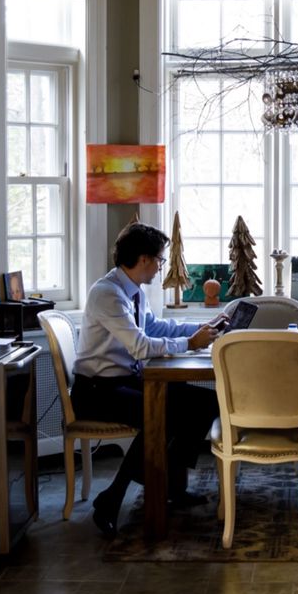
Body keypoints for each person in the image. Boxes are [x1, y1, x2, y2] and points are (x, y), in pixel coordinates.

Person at [72, 222, 224, 537]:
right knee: (163, 413)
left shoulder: (133, 291)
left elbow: (156, 328)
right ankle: (112, 498)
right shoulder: (107, 295)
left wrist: (200, 327)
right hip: (98, 392)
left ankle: (170, 485)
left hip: (125, 383)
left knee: (206, 402)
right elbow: (141, 346)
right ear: (143, 259)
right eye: (159, 260)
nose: (160, 267)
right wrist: (192, 344)